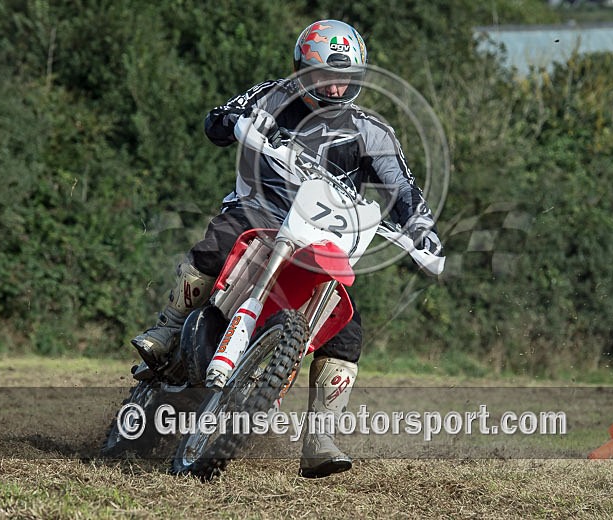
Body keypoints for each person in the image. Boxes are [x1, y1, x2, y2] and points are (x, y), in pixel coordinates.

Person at [131, 19, 442, 478]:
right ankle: (167, 329)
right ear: (301, 71)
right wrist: (234, 123)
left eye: (347, 77)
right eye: (325, 76)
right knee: (216, 246)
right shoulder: (271, 98)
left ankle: (321, 436)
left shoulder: (372, 132)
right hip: (258, 212)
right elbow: (216, 120)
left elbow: (402, 188)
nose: (337, 87)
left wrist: (420, 228)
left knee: (347, 330)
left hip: (320, 237)